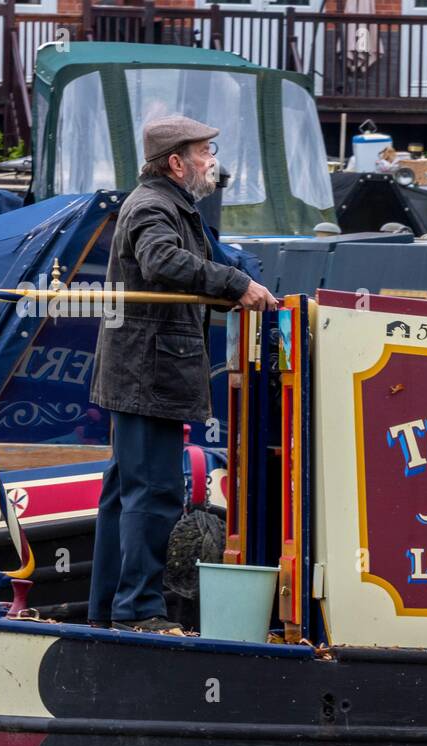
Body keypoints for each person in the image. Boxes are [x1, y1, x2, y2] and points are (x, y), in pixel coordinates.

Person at [87, 115, 278, 633]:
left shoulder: (168, 205)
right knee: (155, 492)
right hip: (150, 372)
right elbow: (159, 261)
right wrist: (236, 284)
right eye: (204, 152)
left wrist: (233, 283)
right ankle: (139, 613)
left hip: (141, 370)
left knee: (125, 490)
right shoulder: (154, 206)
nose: (212, 161)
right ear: (176, 162)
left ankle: (106, 611)